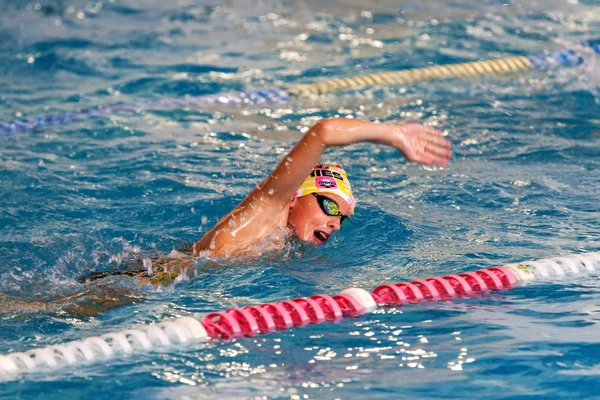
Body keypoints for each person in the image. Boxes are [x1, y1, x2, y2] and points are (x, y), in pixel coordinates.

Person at [192, 118, 451, 259]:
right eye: (330, 207)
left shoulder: (280, 242)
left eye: (342, 219)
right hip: (155, 278)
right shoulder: (268, 208)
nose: (336, 224)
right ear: (295, 195)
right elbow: (323, 132)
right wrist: (394, 134)